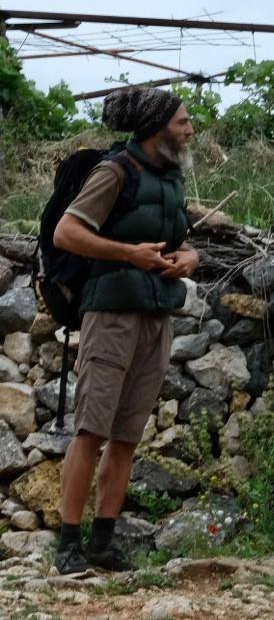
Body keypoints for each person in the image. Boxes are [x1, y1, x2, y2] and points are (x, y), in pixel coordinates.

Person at [52, 87, 200, 574]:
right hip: (110, 315)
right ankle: (68, 546)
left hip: (156, 316)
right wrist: (128, 254)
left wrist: (189, 258)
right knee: (91, 429)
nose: (190, 128)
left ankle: (103, 544)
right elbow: (66, 233)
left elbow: (183, 242)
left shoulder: (171, 178)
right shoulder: (114, 171)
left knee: (127, 435)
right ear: (159, 128)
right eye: (182, 121)